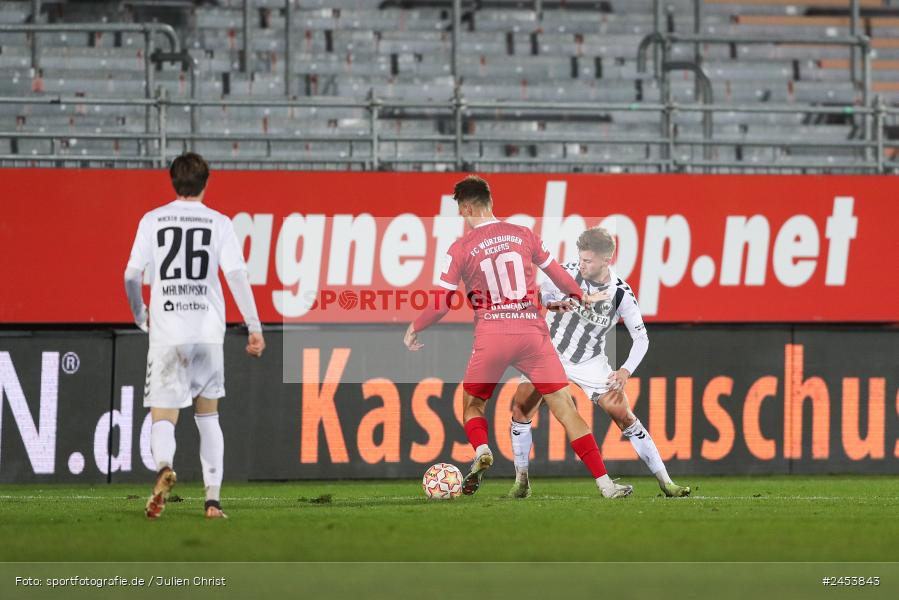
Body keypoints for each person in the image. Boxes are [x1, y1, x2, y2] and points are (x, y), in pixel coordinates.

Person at [404, 176, 632, 499]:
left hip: (492, 335)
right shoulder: (524, 235)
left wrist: (415, 327)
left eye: (460, 210)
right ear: (491, 203)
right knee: (566, 409)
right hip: (531, 333)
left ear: (467, 207)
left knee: (472, 404)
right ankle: (606, 485)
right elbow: (560, 276)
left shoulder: (460, 248)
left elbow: (442, 304)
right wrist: (579, 294)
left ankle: (482, 449)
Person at [124, 152, 265, 520]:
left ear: (172, 180)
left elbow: (130, 276)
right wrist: (254, 327)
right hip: (206, 331)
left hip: (168, 331)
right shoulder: (219, 222)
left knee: (163, 419)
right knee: (209, 418)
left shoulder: (152, 220)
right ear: (207, 182)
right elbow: (236, 276)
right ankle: (213, 502)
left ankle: (165, 468)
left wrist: (141, 315)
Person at [508, 226, 690, 499]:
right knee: (521, 408)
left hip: (590, 361)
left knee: (624, 415)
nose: (581, 264)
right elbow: (543, 288)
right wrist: (550, 302)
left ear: (607, 260)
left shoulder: (620, 293)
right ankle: (521, 481)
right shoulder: (568, 271)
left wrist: (626, 370)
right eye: (580, 258)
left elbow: (642, 339)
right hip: (550, 354)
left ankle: (666, 482)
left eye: (588, 260)